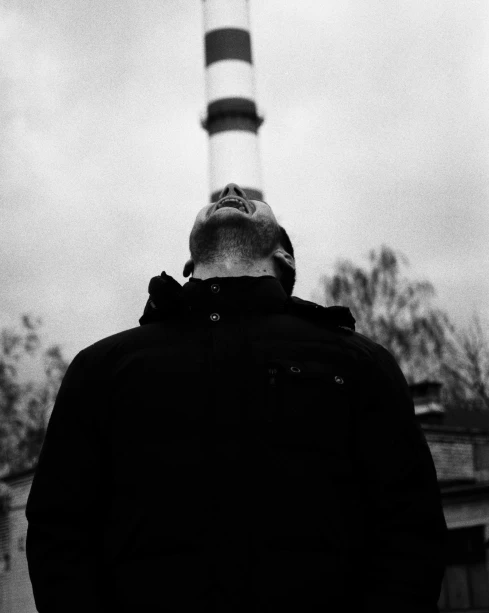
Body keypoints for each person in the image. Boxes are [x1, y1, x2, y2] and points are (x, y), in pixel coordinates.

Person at [25, 182, 448, 612]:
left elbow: (410, 529)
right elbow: (59, 532)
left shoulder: (360, 365)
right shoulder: (100, 368)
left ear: (283, 256)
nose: (229, 188)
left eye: (254, 202)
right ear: (190, 261)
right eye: (217, 197)